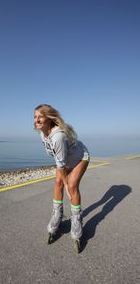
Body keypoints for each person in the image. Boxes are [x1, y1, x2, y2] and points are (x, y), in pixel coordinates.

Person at [34, 104, 90, 244]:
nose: (37, 120)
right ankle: (57, 215)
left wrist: (66, 184)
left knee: (71, 186)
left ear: (49, 119)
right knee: (58, 182)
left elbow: (60, 162)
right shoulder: (43, 133)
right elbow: (58, 158)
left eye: (40, 117)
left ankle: (76, 218)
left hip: (81, 157)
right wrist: (62, 179)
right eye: (35, 117)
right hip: (68, 159)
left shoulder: (58, 136)